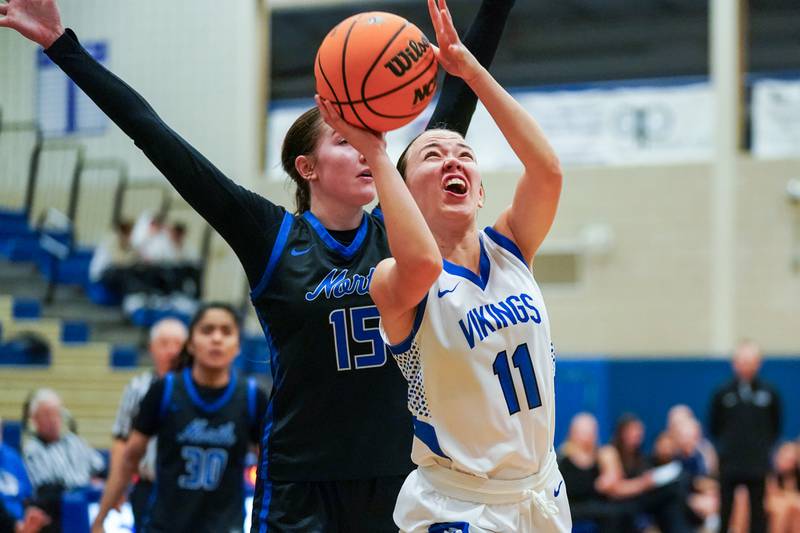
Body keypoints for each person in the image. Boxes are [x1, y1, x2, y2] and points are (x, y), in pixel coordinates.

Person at [0, 0, 516, 530]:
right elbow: (154, 135)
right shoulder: (270, 235)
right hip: (299, 482)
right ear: (306, 167)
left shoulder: (399, 231)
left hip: (398, 475)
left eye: (374, 140)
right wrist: (62, 46)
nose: (369, 151)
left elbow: (455, 104)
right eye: (347, 141)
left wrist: (494, 15)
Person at [315, 0, 565, 529]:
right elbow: (425, 262)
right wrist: (377, 155)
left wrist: (469, 69)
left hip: (541, 489)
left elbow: (546, 170)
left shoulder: (512, 247)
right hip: (457, 504)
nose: (453, 158)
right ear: (402, 194)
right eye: (432, 155)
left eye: (464, 154)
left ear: (479, 193)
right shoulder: (392, 279)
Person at [90, 303, 268, 532]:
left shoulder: (253, 397)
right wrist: (100, 517)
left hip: (225, 525)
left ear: (238, 345)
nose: (216, 338)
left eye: (226, 331)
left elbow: (271, 467)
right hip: (165, 524)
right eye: (207, 330)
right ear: (191, 344)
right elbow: (128, 458)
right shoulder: (163, 390)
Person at [100, 318, 187, 530]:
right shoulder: (137, 387)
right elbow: (121, 442)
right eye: (164, 344)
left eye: (178, 344)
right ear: (151, 349)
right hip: (149, 487)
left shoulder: (199, 389)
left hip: (191, 490)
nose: (172, 351)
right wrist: (116, 488)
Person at [709, 339, 782, 533]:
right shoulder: (723, 393)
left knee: (758, 512)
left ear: (759, 363)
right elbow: (714, 426)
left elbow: (775, 426)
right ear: (734, 363)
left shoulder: (769, 393)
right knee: (725, 510)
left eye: (751, 361)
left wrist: (763, 449)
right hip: (730, 462)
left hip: (757, 463)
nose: (746, 366)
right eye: (742, 361)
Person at [22, 389, 105, 533]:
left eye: (56, 413)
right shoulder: (32, 450)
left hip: (91, 505)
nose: (53, 419)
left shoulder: (74, 441)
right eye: (47, 415)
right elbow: (45, 492)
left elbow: (101, 468)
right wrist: (82, 488)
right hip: (61, 513)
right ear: (35, 419)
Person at [558, 413, 637, 533]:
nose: (589, 436)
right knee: (609, 514)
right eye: (584, 432)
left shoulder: (601, 456)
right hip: (573, 508)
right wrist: (597, 485)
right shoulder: (563, 459)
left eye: (592, 431)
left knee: (623, 511)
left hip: (597, 506)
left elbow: (615, 482)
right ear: (573, 433)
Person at [0, 418, 50, 533]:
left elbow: (27, 496)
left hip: (19, 522)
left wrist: (31, 514)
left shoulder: (12, 458)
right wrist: (17, 527)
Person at [765, 441, 800, 533]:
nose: (788, 461)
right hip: (773, 506)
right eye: (784, 457)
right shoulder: (770, 475)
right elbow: (770, 495)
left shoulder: (795, 478)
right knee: (781, 509)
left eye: (790, 459)